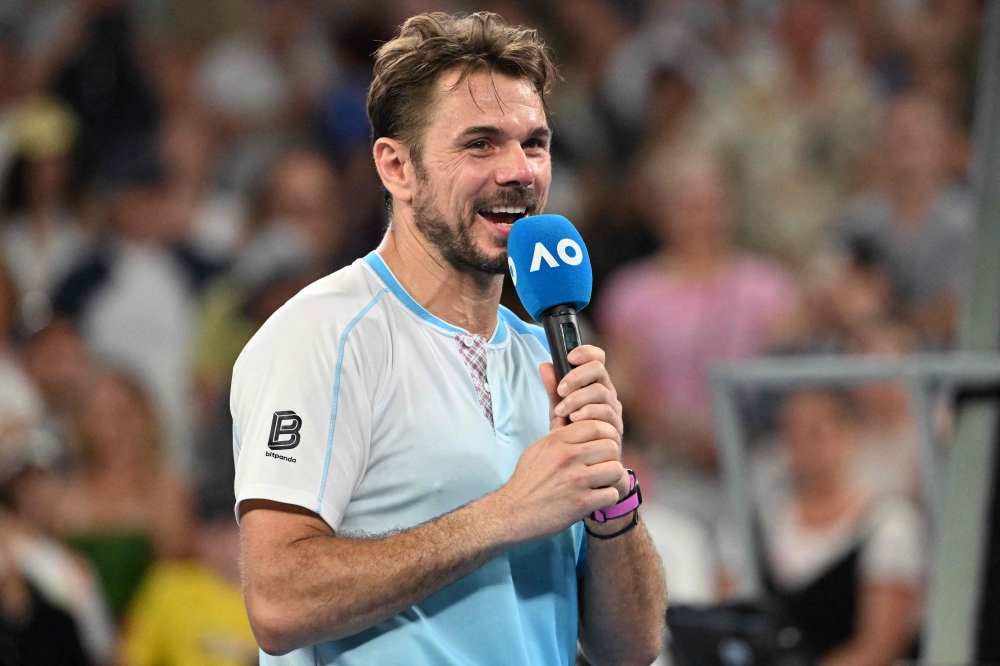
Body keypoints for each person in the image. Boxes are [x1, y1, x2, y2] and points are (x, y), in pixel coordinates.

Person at [233, 12, 666, 665]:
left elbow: (630, 649)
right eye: (480, 144)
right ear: (397, 167)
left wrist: (612, 497)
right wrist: (506, 514)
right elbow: (278, 601)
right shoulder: (322, 335)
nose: (519, 170)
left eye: (534, 143)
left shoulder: (544, 351)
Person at [735, 390, 924, 666]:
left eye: (816, 434)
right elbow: (729, 616)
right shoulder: (761, 518)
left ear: (849, 436)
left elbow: (882, 645)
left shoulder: (888, 523)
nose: (803, 448)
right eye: (791, 434)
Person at [49, 369, 194, 621]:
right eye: (100, 416)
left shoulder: (169, 491)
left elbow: (177, 577)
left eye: (124, 413)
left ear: (146, 416)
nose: (115, 429)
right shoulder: (64, 497)